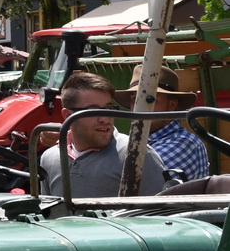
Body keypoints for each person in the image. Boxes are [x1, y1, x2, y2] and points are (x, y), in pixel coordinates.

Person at [38, 72, 166, 197]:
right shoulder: (49, 158)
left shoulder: (136, 154)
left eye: (109, 108)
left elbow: (161, 213)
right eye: (93, 110)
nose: (105, 118)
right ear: (67, 115)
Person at [136, 68, 211, 183]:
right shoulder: (140, 141)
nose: (138, 107)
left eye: (149, 99)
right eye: (134, 99)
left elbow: (133, 179)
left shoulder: (182, 143)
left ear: (172, 104)